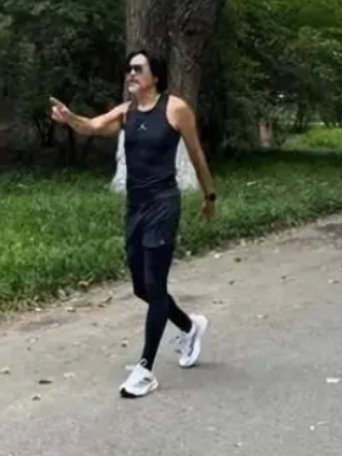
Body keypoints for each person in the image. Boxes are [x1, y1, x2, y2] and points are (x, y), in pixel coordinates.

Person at [49, 49, 218, 398]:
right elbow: (93, 126)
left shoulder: (175, 109)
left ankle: (145, 370)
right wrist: (69, 118)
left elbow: (196, 153)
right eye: (128, 69)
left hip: (163, 205)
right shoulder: (126, 112)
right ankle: (189, 327)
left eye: (138, 69)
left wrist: (209, 195)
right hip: (136, 207)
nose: (131, 74)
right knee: (142, 287)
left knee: (155, 285)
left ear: (155, 76)